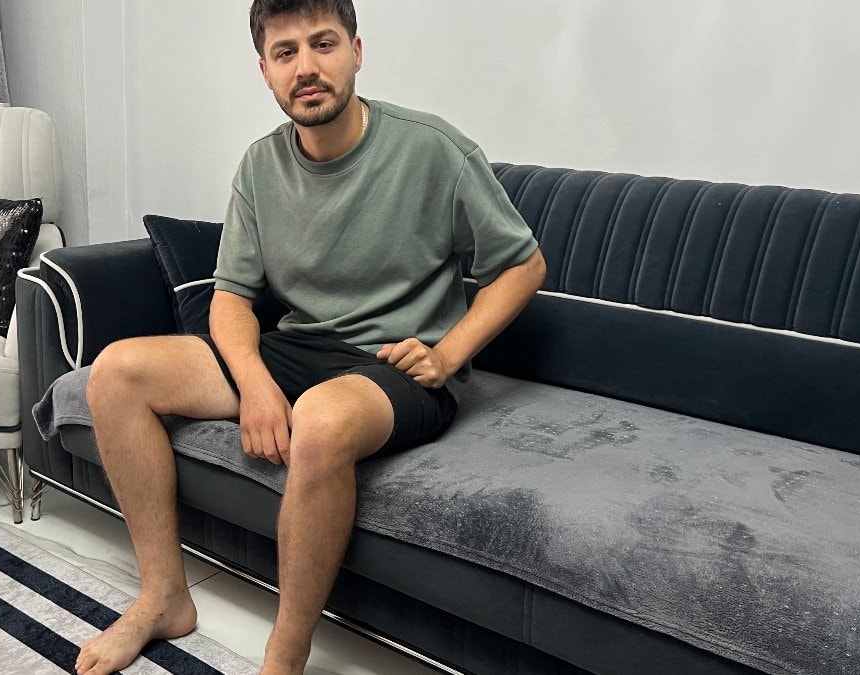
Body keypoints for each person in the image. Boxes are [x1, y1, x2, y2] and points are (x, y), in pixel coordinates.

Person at [75, 1, 547, 673]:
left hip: (394, 367)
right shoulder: (260, 166)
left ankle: (286, 654)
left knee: (320, 420)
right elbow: (232, 297)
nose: (306, 67)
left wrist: (447, 354)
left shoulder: (433, 149)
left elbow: (523, 265)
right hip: (298, 350)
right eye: (286, 52)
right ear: (265, 71)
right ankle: (163, 597)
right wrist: (255, 384)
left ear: (357, 51)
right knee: (115, 372)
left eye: (323, 44)